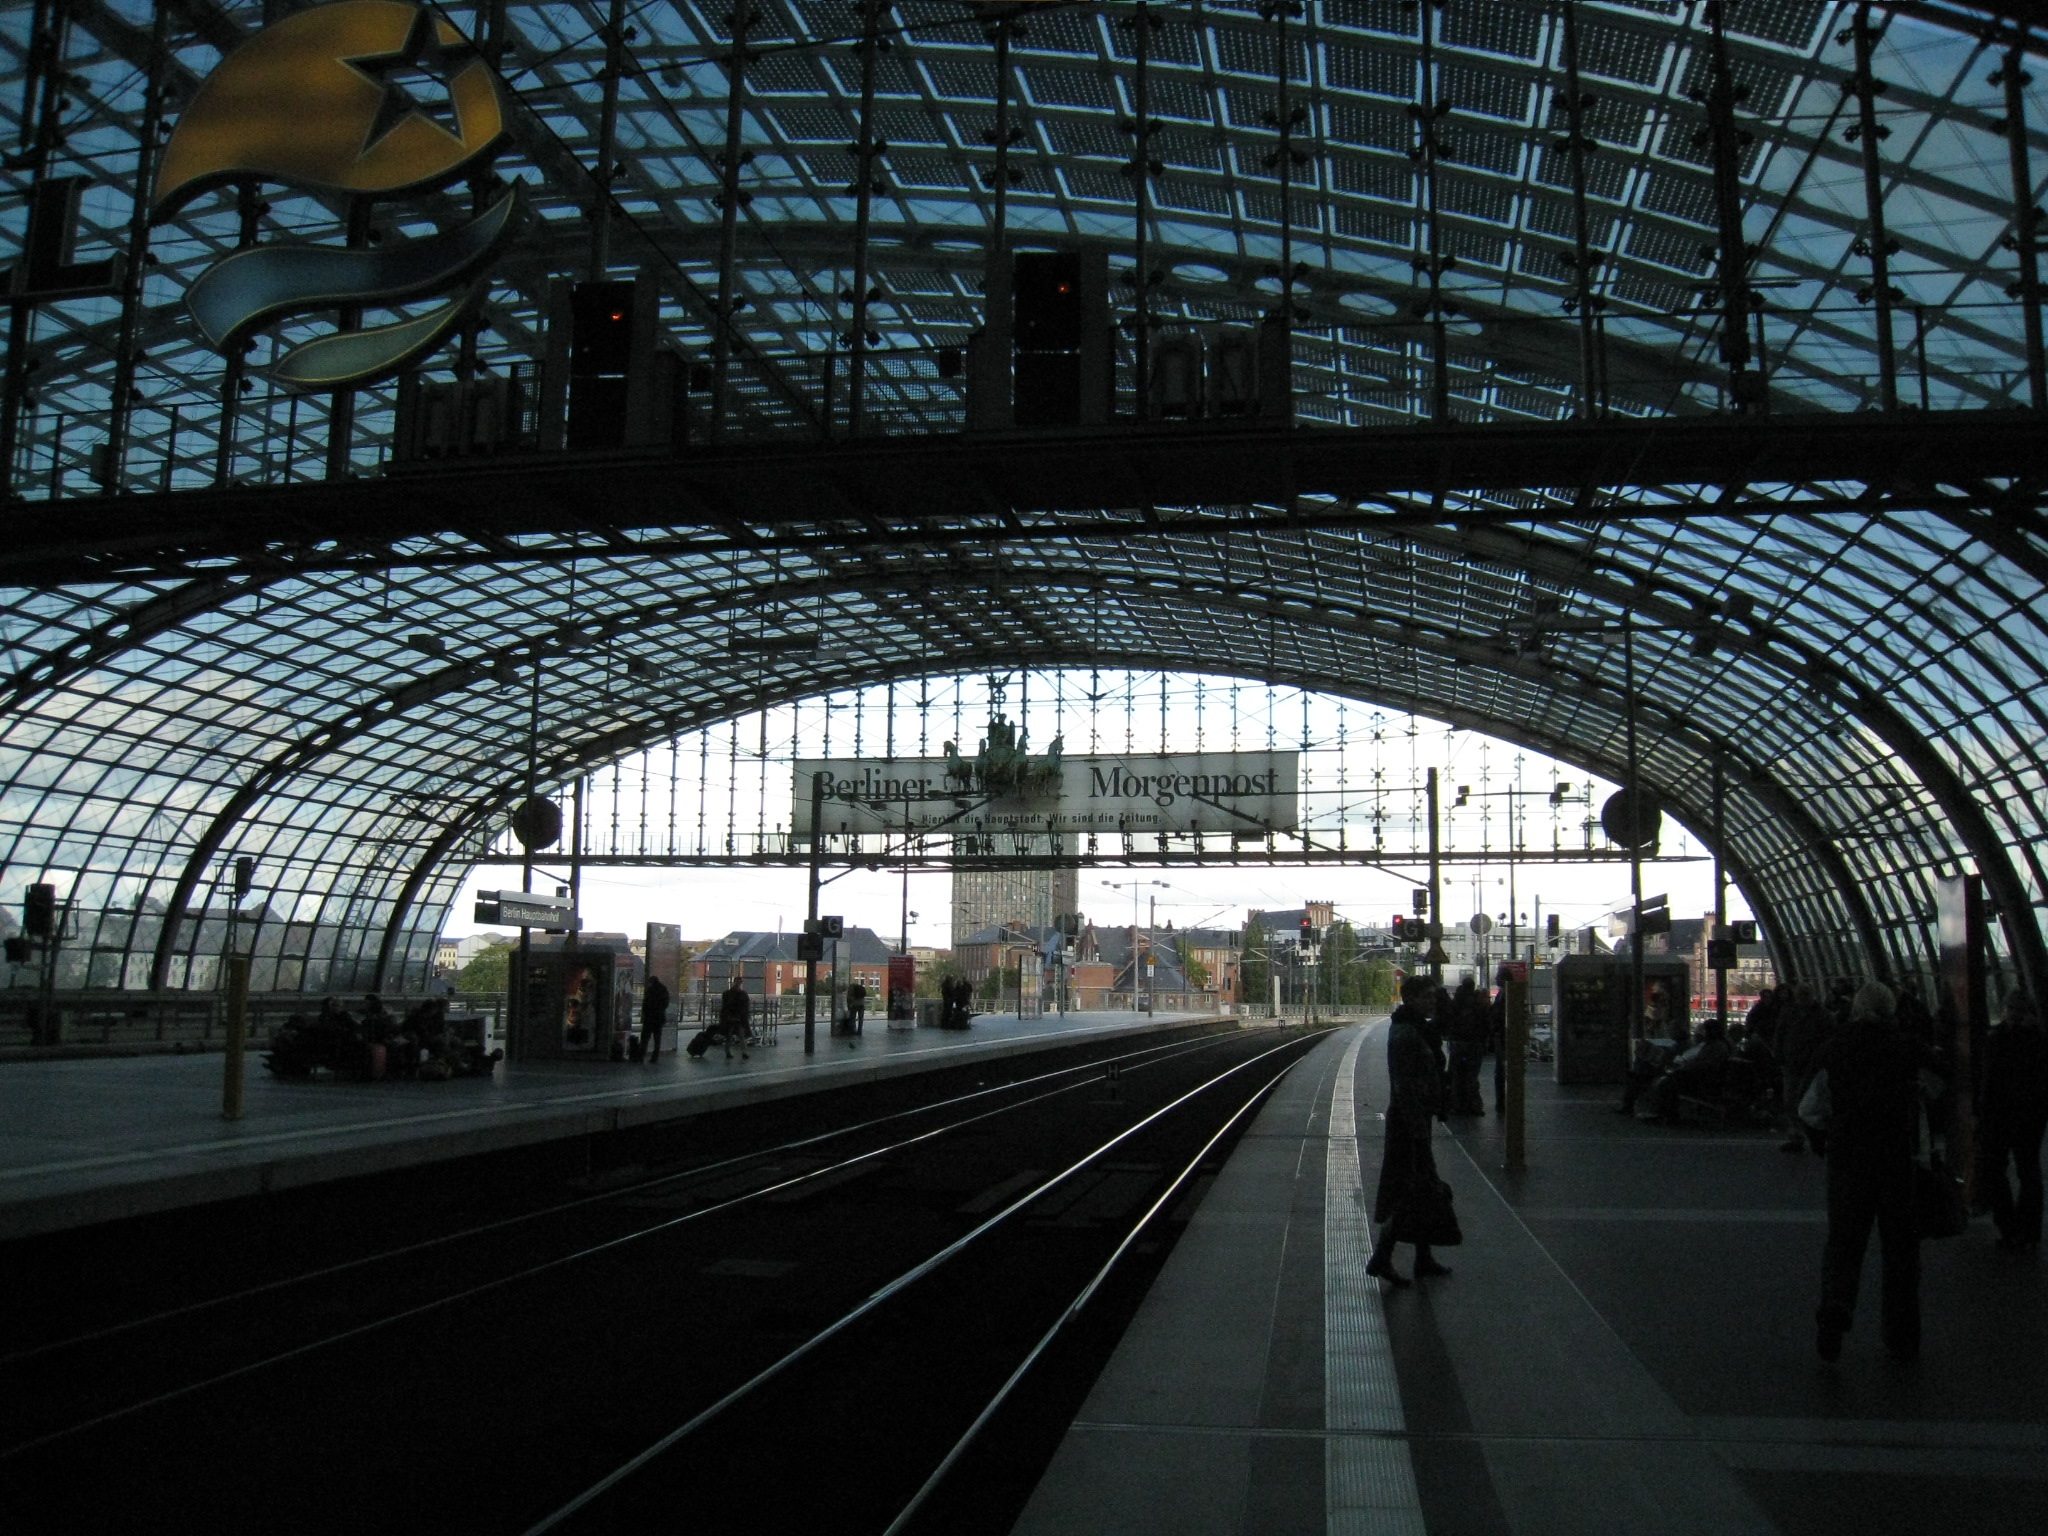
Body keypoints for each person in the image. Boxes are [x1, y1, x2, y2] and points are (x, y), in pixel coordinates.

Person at [1811, 982, 1930, 1362]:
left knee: (1844, 1243)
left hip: (1847, 1157)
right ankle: (1901, 1334)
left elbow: (1811, 1105)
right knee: (1900, 1248)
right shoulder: (1906, 1047)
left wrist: (1823, 1139)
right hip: (1894, 1158)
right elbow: (1941, 1082)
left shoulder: (1835, 1048)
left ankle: (1836, 1309)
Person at [1368, 976, 1453, 1286]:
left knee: (1422, 1189)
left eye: (1434, 996)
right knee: (1407, 1191)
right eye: (1427, 996)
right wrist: (1417, 1125)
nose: (1432, 1001)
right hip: (1408, 1123)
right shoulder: (1406, 1033)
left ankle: (1422, 1257)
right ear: (1412, 999)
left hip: (1416, 1119)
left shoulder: (1417, 1028)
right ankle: (1382, 1257)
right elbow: (1405, 1085)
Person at [1981, 993, 2047, 1255]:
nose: (2012, 1014)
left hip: (2000, 1116)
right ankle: (2027, 1231)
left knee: (1997, 1171)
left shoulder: (1995, 1039)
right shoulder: (2038, 1040)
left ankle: (2008, 1228)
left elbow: (1988, 1080)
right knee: (2028, 1172)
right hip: (2028, 1117)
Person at [1624, 1016, 1733, 1122]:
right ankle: (1662, 1112)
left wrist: (1682, 1067)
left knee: (1665, 1080)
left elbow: (1703, 1064)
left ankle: (1660, 1112)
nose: (1702, 1033)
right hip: (1700, 1077)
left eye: (1705, 1030)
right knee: (1662, 1077)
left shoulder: (1714, 1047)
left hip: (1700, 1080)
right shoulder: (1715, 1045)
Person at [1777, 980, 1830, 1153]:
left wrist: (1780, 1057)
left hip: (1797, 1063)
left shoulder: (1790, 1013)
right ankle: (1810, 1136)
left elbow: (1780, 1035)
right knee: (1806, 1101)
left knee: (1793, 1100)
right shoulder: (1822, 1014)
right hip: (1807, 1065)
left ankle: (1797, 1135)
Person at [1443, 976, 1487, 1116]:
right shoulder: (1477, 1004)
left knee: (1457, 1075)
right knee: (1472, 1076)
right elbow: (1484, 1022)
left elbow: (1449, 1020)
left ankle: (1457, 1105)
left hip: (1458, 1043)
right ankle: (1474, 1105)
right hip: (1474, 1044)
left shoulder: (1456, 1002)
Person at [1487, 967, 1509, 1116]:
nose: (1496, 979)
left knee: (1501, 1072)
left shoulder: (1505, 995)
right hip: (1501, 1037)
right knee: (1500, 1072)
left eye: (1498, 977)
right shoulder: (1503, 993)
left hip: (1503, 1037)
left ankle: (1502, 1102)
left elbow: (1498, 1014)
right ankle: (1501, 1102)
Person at [716, 978, 751, 1060]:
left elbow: (724, 1006)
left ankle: (728, 1052)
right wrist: (744, 1017)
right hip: (739, 1018)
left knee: (729, 1035)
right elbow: (745, 1007)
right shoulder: (743, 994)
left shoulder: (727, 993)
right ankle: (744, 1053)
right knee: (741, 1035)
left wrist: (723, 1017)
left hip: (730, 1018)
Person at [640, 973, 670, 1064]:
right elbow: (666, 1003)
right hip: (659, 1018)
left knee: (645, 1038)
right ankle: (655, 1057)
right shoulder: (663, 989)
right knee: (657, 1039)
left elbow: (645, 1004)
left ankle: (641, 1055)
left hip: (649, 1018)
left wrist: (644, 1014)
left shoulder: (650, 990)